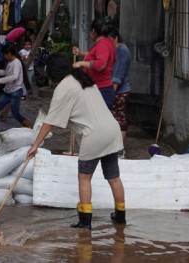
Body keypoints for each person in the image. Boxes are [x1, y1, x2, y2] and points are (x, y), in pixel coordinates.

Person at [26, 53, 126, 229]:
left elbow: (49, 122)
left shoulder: (64, 87)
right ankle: (120, 216)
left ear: (53, 73)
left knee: (84, 178)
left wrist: (35, 145)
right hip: (112, 130)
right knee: (114, 178)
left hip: (94, 136)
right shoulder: (84, 79)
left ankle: (85, 221)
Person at [72, 17, 116, 109]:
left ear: (93, 31)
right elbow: (94, 55)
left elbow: (101, 64)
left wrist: (81, 63)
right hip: (101, 88)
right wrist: (80, 53)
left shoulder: (103, 44)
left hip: (102, 90)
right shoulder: (105, 43)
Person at [109, 28, 132, 159]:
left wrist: (111, 93)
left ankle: (119, 149)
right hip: (113, 89)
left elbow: (118, 76)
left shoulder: (122, 52)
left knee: (119, 118)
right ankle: (113, 147)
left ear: (116, 38)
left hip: (119, 91)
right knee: (113, 118)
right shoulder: (114, 50)